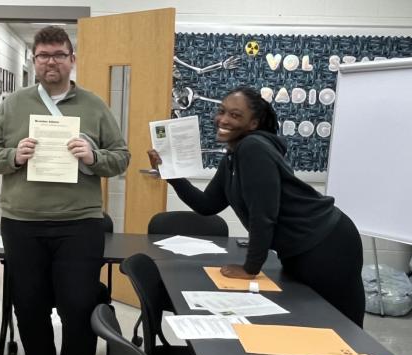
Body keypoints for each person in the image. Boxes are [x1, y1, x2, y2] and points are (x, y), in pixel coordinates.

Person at [0, 26, 129, 355]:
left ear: (71, 60)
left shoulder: (94, 106)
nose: (51, 62)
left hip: (79, 224)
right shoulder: (14, 104)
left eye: (59, 54)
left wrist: (93, 157)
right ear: (34, 60)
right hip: (22, 222)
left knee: (78, 309)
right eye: (43, 55)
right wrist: (14, 155)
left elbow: (121, 158)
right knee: (29, 308)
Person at [149, 86, 365, 327]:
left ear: (253, 123)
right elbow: (207, 205)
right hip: (301, 246)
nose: (223, 119)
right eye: (222, 111)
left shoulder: (253, 148)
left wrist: (250, 268)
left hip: (326, 242)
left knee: (342, 325)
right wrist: (170, 173)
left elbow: (263, 216)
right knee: (310, 324)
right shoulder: (233, 156)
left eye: (235, 115)